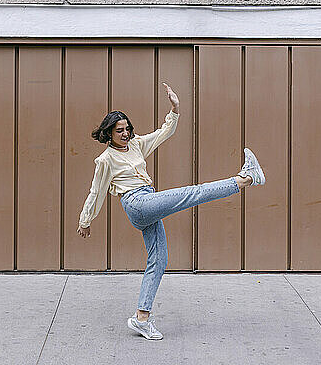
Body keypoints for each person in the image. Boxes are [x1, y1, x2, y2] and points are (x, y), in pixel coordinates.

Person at [77, 82, 265, 340]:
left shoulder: (136, 145)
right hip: (136, 204)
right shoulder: (105, 159)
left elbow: (164, 132)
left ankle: (141, 318)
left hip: (149, 200)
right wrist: (85, 220)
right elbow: (96, 192)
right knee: (191, 193)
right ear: (108, 133)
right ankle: (244, 179)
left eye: (127, 129)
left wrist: (174, 109)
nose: (125, 133)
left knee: (159, 260)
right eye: (119, 130)